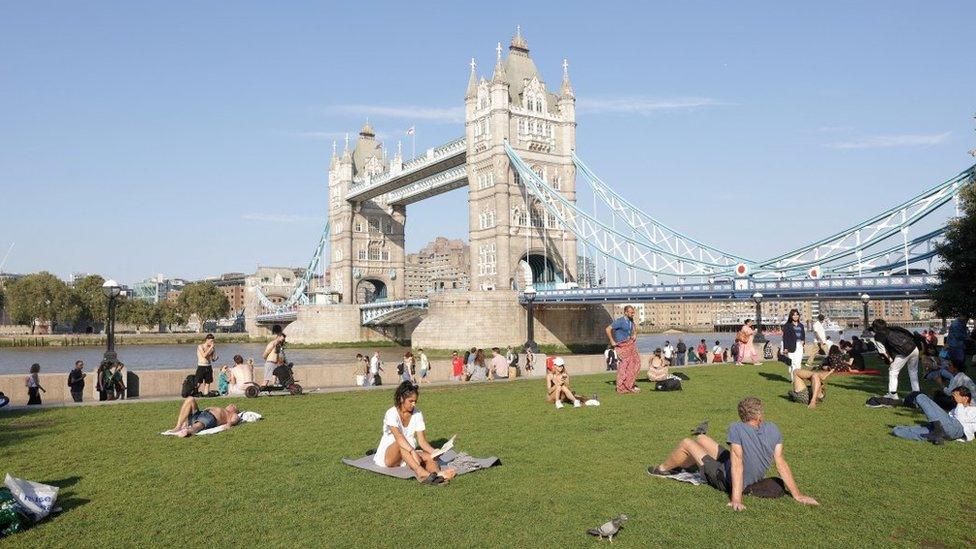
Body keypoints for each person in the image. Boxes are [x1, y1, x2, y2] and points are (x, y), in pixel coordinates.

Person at [647, 397, 819, 511]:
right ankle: (685, 463)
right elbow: (780, 463)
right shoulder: (773, 428)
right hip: (733, 467)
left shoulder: (736, 427)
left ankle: (661, 469)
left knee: (687, 443)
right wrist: (797, 494)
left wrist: (736, 499)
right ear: (759, 415)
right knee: (701, 438)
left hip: (724, 477)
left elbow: (737, 464)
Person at [373, 381, 457, 484]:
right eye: (411, 401)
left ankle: (437, 475)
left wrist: (434, 451)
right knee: (402, 444)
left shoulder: (417, 413)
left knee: (431, 457)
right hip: (389, 456)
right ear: (401, 399)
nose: (414, 404)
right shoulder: (391, 413)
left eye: (415, 401)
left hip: (407, 455)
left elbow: (422, 442)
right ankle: (422, 473)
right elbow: (399, 437)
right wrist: (412, 451)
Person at [892, 386, 976, 444]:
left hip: (957, 429)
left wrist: (960, 403)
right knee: (897, 430)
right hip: (944, 429)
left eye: (956, 396)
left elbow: (959, 420)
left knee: (921, 397)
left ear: (966, 398)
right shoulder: (954, 409)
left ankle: (937, 431)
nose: (954, 398)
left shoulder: (973, 410)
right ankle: (936, 434)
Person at [871, 318, 920, 400]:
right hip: (914, 348)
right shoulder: (894, 328)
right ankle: (916, 392)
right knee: (913, 371)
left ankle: (892, 394)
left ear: (875, 328)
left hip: (903, 353)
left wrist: (890, 360)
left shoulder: (878, 336)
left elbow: (883, 352)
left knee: (893, 371)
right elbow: (909, 334)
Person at [606, 305, 640, 394]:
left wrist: (635, 334)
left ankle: (629, 384)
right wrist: (612, 341)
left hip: (630, 344)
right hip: (622, 346)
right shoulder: (620, 321)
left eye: (633, 312)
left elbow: (634, 327)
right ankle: (620, 387)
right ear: (625, 312)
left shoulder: (631, 321)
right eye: (631, 312)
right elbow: (608, 329)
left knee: (635, 364)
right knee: (623, 366)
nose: (633, 314)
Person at [171, 397, 241, 437]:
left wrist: (230, 424)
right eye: (231, 404)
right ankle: (178, 426)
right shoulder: (222, 409)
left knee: (198, 425)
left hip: (211, 417)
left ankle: (188, 431)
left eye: (234, 406)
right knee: (190, 399)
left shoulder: (232, 414)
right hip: (201, 414)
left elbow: (236, 419)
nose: (232, 405)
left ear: (235, 411)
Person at [781, 309, 806, 380]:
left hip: (799, 346)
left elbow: (803, 334)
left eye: (797, 314)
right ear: (791, 316)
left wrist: (803, 341)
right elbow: (785, 337)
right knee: (793, 363)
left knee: (798, 363)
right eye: (794, 315)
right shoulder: (787, 325)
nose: (795, 316)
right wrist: (785, 348)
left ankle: (798, 378)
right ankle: (793, 378)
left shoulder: (801, 325)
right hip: (791, 346)